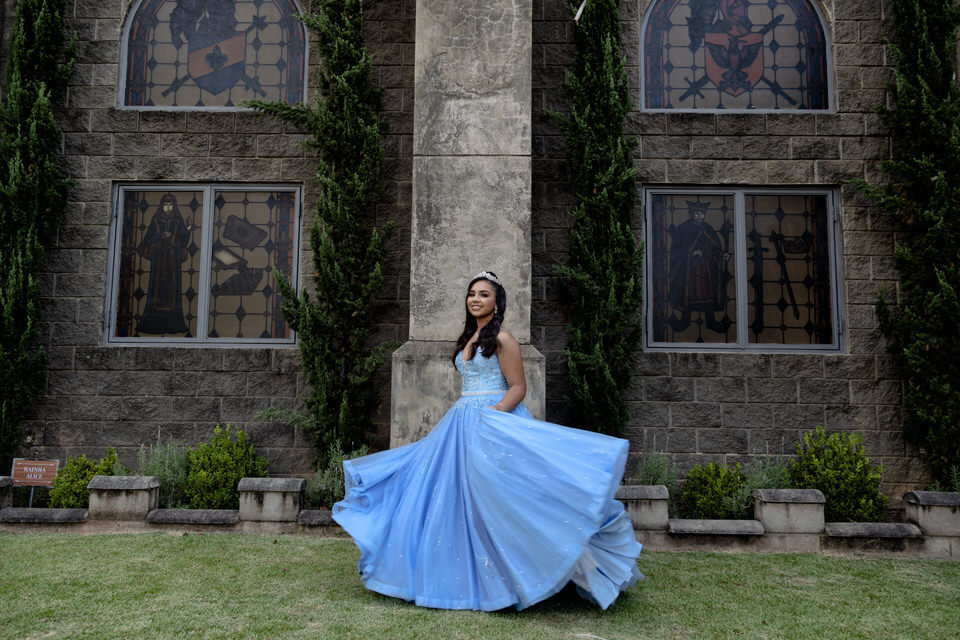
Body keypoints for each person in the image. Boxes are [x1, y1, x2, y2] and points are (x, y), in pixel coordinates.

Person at [332, 271, 643, 611]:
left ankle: (552, 572)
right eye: (471, 294)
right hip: (460, 422)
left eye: (483, 294)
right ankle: (462, 575)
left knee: (511, 500)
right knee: (451, 495)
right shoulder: (469, 338)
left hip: (493, 421)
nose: (476, 299)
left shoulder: (504, 339)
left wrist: (492, 417)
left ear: (497, 302)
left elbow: (518, 387)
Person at [136, 193, 192, 335]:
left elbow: (183, 240)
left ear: (174, 206)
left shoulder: (178, 221)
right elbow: (148, 239)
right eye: (165, 205)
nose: (168, 208)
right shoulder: (156, 220)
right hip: (159, 258)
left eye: (170, 205)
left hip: (173, 259)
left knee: (172, 290)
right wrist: (159, 236)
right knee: (156, 290)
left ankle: (174, 323)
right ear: (162, 206)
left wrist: (188, 230)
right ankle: (153, 323)